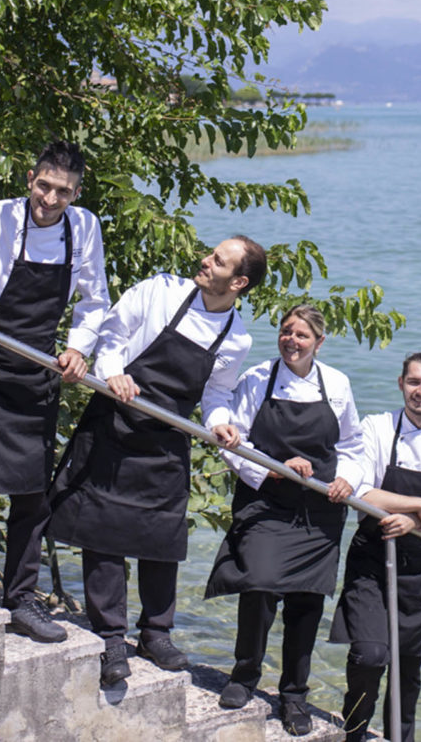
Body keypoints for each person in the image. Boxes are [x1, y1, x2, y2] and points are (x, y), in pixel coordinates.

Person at [48, 236, 267, 685]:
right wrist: (114, 373)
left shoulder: (237, 336)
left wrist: (222, 422)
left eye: (218, 261)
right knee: (102, 531)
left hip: (169, 437)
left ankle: (156, 632)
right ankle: (110, 636)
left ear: (239, 282)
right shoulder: (160, 291)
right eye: (210, 253)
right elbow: (113, 333)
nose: (204, 261)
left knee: (163, 535)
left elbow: (216, 392)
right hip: (116, 421)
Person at [0, 140, 109, 642]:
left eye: (63, 192)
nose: (50, 199)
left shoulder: (86, 229)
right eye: (44, 186)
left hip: (37, 372)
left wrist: (79, 349)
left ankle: (21, 597)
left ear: (77, 192)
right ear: (30, 177)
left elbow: (95, 300)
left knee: (32, 496)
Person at [205, 304, 367, 737]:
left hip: (319, 510)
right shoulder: (258, 378)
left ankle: (294, 695)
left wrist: (348, 481)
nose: (291, 341)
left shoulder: (336, 384)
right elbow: (233, 441)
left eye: (302, 336)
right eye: (286, 332)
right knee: (257, 584)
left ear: (319, 342)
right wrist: (270, 467)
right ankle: (243, 675)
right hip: (266, 501)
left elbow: (353, 444)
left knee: (306, 601)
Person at [329, 352, 421, 742]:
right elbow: (360, 490)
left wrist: (417, 523)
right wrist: (418, 505)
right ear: (401, 383)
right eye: (414, 382)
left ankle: (401, 737)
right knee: (369, 655)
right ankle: (354, 731)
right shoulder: (376, 428)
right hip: (372, 560)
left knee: (407, 669)